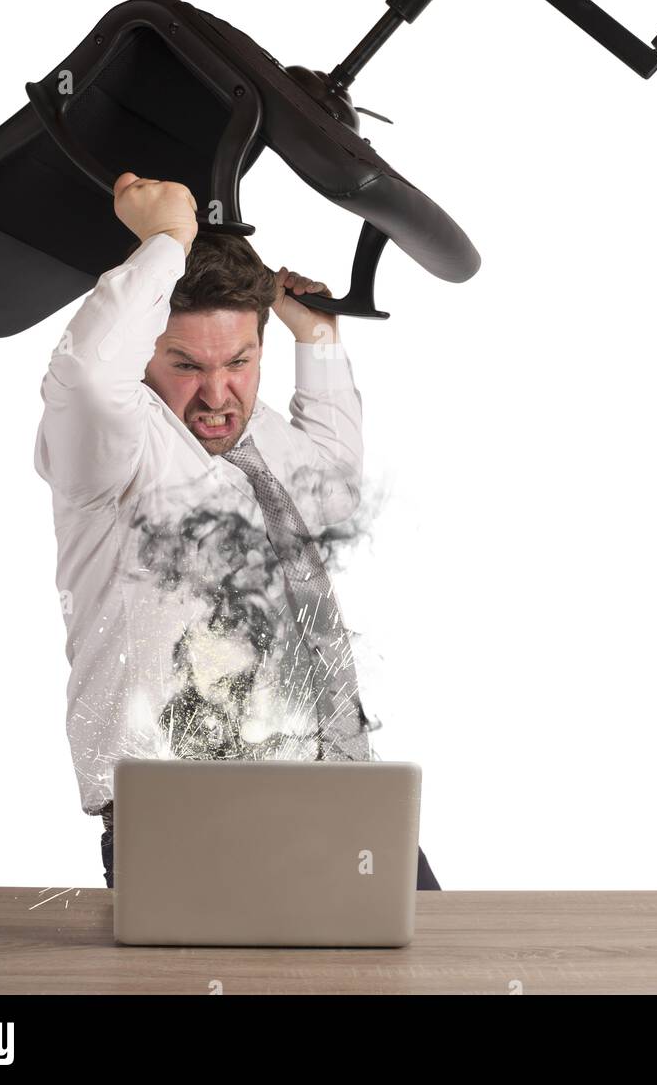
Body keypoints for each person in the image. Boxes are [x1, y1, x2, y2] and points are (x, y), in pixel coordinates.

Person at [34, 172, 440, 890]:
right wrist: (165, 242)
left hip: (346, 796)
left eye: (240, 362)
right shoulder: (113, 450)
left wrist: (313, 338)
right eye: (185, 365)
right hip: (188, 814)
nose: (218, 395)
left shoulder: (254, 438)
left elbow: (332, 492)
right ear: (144, 355)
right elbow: (89, 379)